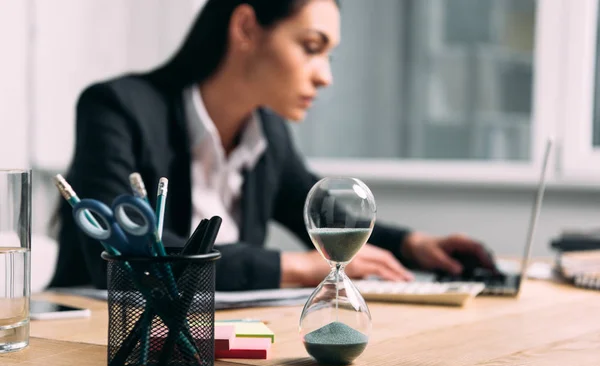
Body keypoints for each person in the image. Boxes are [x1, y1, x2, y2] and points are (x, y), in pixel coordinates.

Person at [51, 0, 494, 291]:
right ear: (246, 27)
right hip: (93, 346)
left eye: (329, 55)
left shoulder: (267, 134)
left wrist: (415, 245)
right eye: (311, 47)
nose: (325, 76)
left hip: (217, 347)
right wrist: (295, 268)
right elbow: (122, 258)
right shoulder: (116, 108)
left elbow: (322, 218)